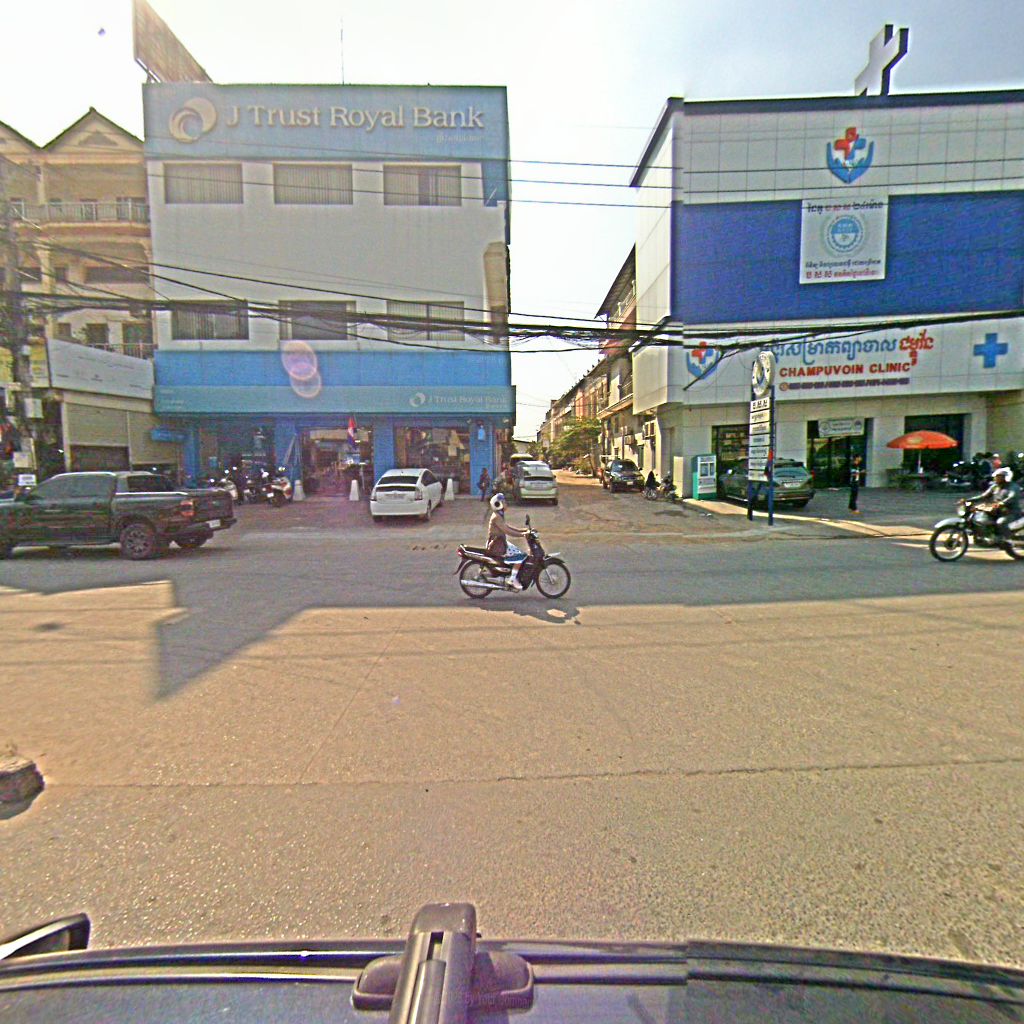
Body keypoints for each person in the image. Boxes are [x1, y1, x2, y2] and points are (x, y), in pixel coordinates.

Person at [486, 492, 530, 590]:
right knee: (520, 556)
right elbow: (507, 531)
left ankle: (511, 574)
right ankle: (512, 579)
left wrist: (522, 530)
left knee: (517, 553)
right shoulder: (497, 517)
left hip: (500, 542)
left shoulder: (499, 515)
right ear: (498, 504)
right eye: (503, 502)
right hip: (497, 545)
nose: (506, 503)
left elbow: (507, 527)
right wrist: (522, 535)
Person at [978, 466, 1022, 541]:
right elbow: (984, 496)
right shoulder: (995, 486)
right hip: (997, 510)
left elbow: (1012, 497)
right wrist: (968, 500)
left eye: (999, 477)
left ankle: (1007, 540)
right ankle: (989, 536)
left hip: (1011, 511)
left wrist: (1002, 503)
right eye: (996, 477)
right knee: (982, 519)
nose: (996, 478)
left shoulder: (1013, 486)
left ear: (1005, 477)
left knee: (1001, 522)